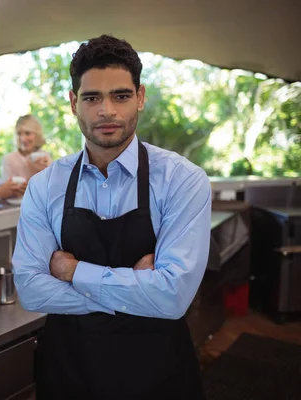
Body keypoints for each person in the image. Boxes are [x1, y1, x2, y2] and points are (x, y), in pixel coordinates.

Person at [12, 34, 211, 399]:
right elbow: (30, 290)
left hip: (159, 376)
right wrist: (136, 291)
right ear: (74, 103)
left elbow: (173, 297)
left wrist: (74, 273)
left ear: (140, 97)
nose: (106, 110)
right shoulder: (45, 185)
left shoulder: (183, 179)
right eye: (92, 98)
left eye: (120, 95)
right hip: (69, 374)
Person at [1, 115, 52, 181]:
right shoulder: (9, 159)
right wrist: (34, 172)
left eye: (28, 133)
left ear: (37, 134)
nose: (23, 139)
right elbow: (9, 189)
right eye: (19, 134)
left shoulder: (46, 157)